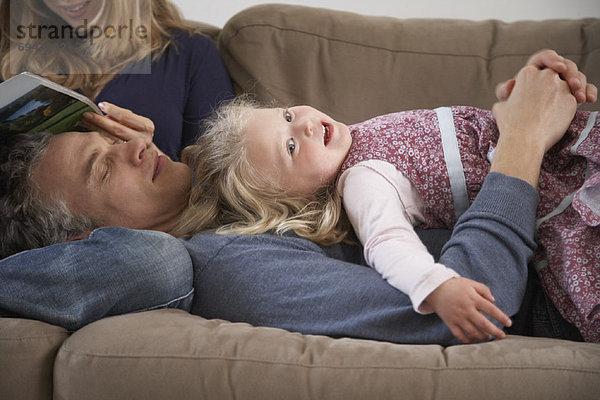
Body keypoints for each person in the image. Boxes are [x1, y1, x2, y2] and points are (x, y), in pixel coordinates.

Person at [0, 50, 597, 345]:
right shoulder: (230, 266)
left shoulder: (249, 179)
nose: (131, 146)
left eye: (109, 135)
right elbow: (477, 305)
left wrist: (514, 115)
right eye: (102, 169)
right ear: (87, 241)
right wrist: (522, 140)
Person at [173, 81, 599, 342]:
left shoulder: (354, 138)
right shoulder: (360, 180)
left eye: (285, 115)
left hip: (551, 153)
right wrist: (436, 285)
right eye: (289, 148)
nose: (302, 125)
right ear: (294, 202)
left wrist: (534, 89)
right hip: (550, 196)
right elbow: (387, 242)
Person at [0, 0, 233, 159]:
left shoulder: (190, 53)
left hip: (152, 225)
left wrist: (152, 157)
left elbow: (218, 183)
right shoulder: (14, 55)